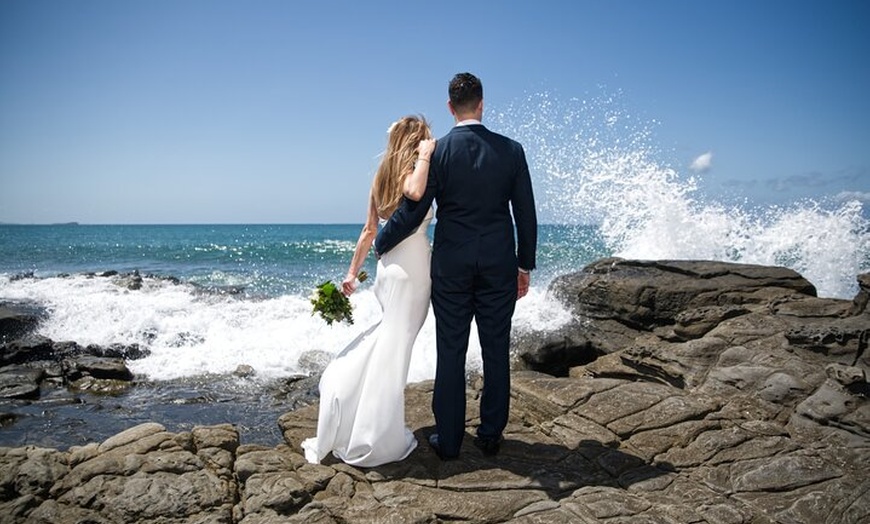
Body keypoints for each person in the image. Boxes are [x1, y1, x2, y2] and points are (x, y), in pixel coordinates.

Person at [375, 73, 537, 460]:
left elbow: (413, 211)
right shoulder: (512, 150)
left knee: (451, 351)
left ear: (450, 107)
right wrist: (524, 265)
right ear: (482, 104)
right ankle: (491, 435)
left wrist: (382, 242)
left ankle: (448, 441)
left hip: (451, 267)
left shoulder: (439, 152)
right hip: (498, 265)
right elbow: (526, 215)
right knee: (496, 349)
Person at [301, 116, 436, 467]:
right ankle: (375, 432)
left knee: (390, 343)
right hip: (412, 269)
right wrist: (426, 156)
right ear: (415, 141)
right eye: (424, 137)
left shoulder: (380, 176)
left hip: (390, 267)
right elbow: (416, 193)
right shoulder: (414, 171)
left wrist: (352, 272)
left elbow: (368, 230)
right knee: (394, 348)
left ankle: (357, 410)